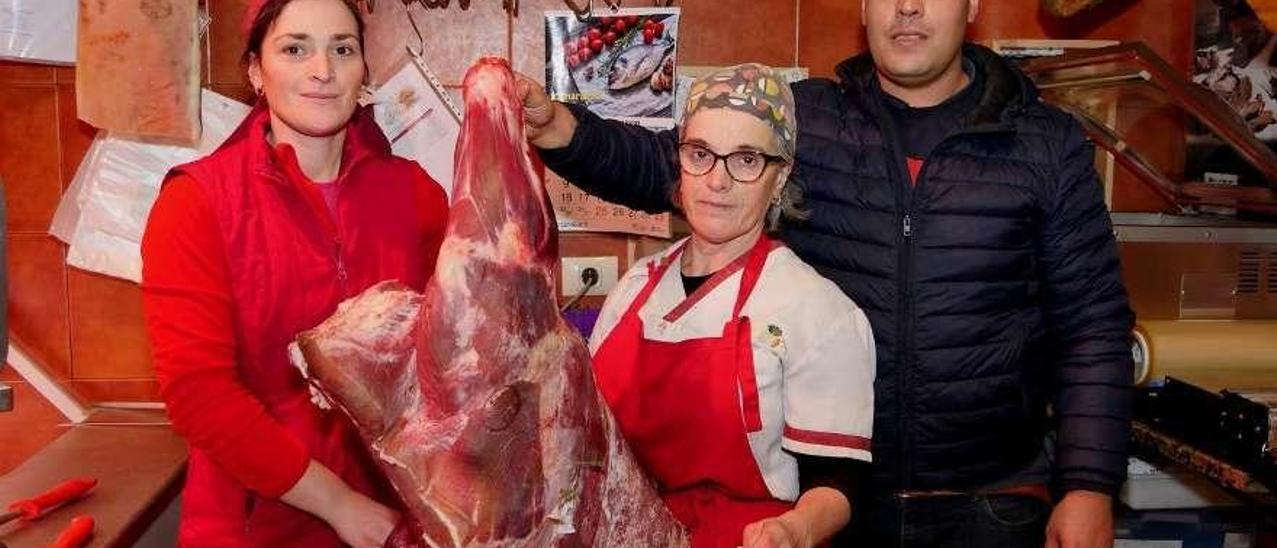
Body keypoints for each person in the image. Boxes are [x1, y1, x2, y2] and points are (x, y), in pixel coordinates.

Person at [519, 0, 1135, 546]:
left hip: (992, 504)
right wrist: (557, 127)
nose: (908, 9)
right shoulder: (810, 120)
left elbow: (1092, 327)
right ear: (863, 8)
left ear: (972, 5)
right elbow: (673, 164)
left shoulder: (1044, 144)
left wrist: (1088, 485)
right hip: (831, 507)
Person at [140, 0, 448, 545]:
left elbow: (446, 361)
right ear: (257, 71)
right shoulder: (196, 203)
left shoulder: (415, 195)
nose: (322, 70)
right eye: (295, 48)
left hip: (395, 518)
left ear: (362, 71)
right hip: (255, 523)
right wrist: (339, 504)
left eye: (342, 49)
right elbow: (199, 394)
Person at [588, 64, 876, 548]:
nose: (717, 181)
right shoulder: (635, 288)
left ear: (779, 177)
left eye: (745, 160)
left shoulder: (818, 311)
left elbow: (839, 482)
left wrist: (793, 529)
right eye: (700, 154)